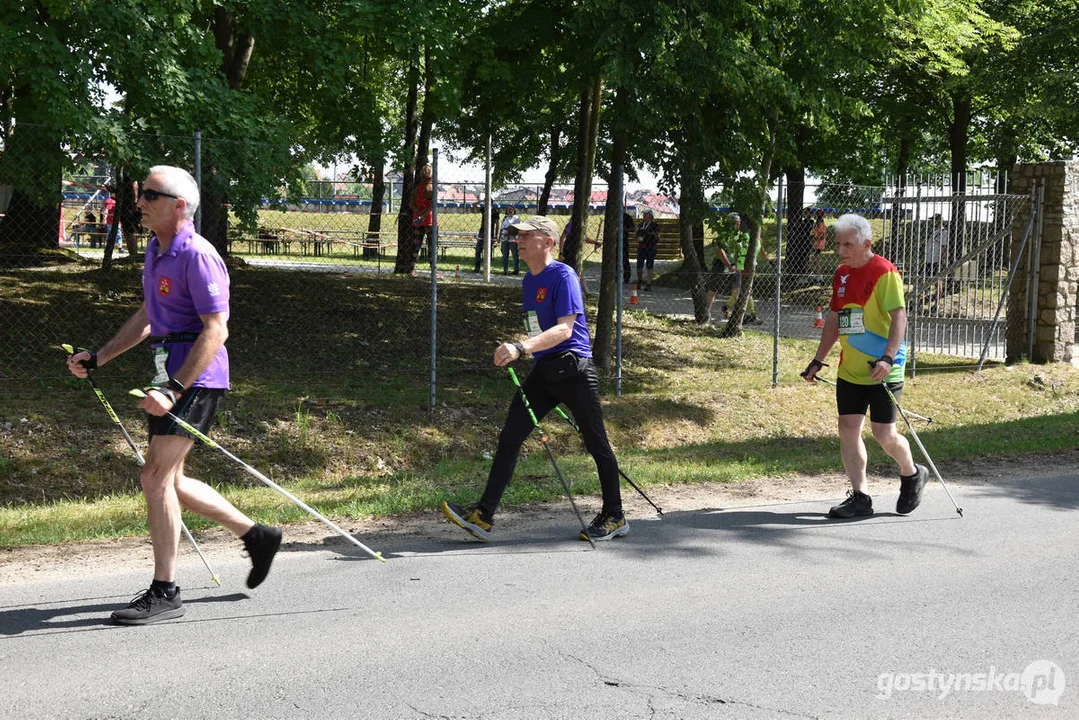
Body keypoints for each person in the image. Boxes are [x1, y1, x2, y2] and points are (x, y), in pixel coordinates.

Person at [65, 165, 282, 625]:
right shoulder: (155, 249)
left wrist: (174, 387)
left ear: (179, 205)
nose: (139, 201)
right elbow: (149, 315)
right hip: (169, 376)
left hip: (195, 380)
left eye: (150, 194)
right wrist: (99, 357)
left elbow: (216, 330)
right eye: (140, 193)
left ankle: (165, 591)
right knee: (172, 480)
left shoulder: (198, 255)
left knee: (155, 477)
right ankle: (256, 535)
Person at [440, 215, 628, 542]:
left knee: (596, 443)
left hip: (574, 370)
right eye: (517, 235)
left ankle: (614, 514)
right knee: (510, 437)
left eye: (527, 235)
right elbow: (537, 328)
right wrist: (523, 349)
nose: (519, 240)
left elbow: (565, 329)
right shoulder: (529, 280)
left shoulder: (563, 275)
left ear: (548, 242)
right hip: (544, 371)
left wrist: (520, 347)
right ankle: (483, 515)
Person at [801, 213, 928, 520]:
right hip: (850, 369)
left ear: (866, 243)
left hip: (883, 367)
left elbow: (899, 316)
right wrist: (818, 359)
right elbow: (834, 318)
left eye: (848, 244)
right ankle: (861, 497)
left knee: (884, 434)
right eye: (838, 243)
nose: (841, 250)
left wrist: (887, 357)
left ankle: (912, 473)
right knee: (848, 429)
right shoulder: (841, 273)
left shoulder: (884, 272)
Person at [711, 213, 768, 324]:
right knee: (746, 291)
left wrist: (770, 261)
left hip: (749, 267)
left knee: (744, 291)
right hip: (741, 267)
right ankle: (752, 315)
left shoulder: (757, 239)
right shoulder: (744, 237)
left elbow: (762, 252)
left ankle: (727, 307)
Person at [410, 165, 434, 273]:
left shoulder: (417, 189)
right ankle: (433, 269)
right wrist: (424, 214)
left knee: (415, 245)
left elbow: (411, 203)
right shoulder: (431, 188)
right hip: (429, 221)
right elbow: (432, 204)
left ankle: (412, 268)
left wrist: (418, 212)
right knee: (432, 245)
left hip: (417, 221)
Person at [924, 214, 949, 309]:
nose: (932, 222)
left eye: (934, 220)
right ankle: (916, 303)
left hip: (936, 261)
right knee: (920, 281)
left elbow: (944, 247)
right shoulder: (935, 232)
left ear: (938, 221)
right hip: (929, 260)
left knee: (938, 282)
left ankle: (937, 304)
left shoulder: (943, 232)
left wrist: (943, 261)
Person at [634, 210, 660, 290]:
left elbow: (658, 236)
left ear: (650, 216)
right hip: (641, 246)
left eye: (646, 214)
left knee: (649, 265)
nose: (644, 216)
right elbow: (635, 237)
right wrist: (638, 235)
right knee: (639, 265)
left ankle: (648, 284)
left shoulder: (654, 225)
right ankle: (639, 280)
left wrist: (648, 233)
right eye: (644, 214)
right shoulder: (641, 224)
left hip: (651, 247)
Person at [473, 203, 500, 273]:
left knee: (488, 251)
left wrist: (496, 234)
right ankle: (477, 268)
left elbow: (497, 224)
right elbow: (474, 205)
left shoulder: (495, 211)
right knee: (478, 250)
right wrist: (481, 200)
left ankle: (487, 268)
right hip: (482, 232)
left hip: (490, 232)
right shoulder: (484, 209)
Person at [499, 205, 521, 275]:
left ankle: (516, 270)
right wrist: (499, 236)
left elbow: (519, 227)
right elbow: (501, 228)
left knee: (515, 254)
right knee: (505, 254)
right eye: (508, 209)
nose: (510, 210)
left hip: (513, 238)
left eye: (511, 209)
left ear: (514, 210)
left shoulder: (516, 218)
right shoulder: (505, 218)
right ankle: (505, 270)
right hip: (505, 238)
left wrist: (512, 230)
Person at [810, 209, 827, 278]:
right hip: (816, 243)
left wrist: (814, 238)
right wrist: (812, 237)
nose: (814, 215)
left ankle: (819, 275)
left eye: (815, 214)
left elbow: (823, 236)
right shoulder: (817, 223)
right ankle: (817, 274)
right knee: (815, 259)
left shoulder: (821, 224)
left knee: (816, 260)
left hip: (819, 244)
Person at [621, 210, 635, 284]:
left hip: (624, 240)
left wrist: (623, 230)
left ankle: (626, 277)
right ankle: (615, 276)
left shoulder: (627, 217)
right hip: (614, 240)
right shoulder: (614, 216)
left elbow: (632, 228)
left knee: (625, 259)